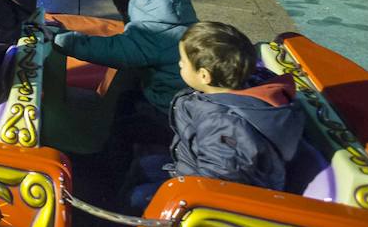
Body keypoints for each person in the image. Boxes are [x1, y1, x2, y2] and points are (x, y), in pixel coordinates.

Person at [128, 22, 303, 211]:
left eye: (183, 61)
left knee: (138, 197)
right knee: (142, 165)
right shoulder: (230, 90)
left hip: (212, 196)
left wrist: (178, 197)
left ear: (204, 76)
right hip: (192, 168)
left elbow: (219, 183)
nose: (179, 63)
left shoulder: (224, 124)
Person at [52, 0, 198, 115]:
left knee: (125, 110)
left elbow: (108, 50)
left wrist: (58, 38)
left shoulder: (153, 35)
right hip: (196, 96)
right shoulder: (189, 23)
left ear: (129, 10)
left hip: (169, 106)